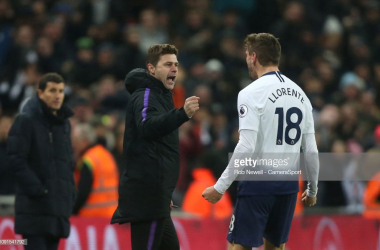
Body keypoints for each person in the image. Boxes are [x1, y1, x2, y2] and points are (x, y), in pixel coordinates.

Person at [202, 33, 320, 250]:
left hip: (258, 182)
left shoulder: (251, 93)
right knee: (275, 247)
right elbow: (311, 150)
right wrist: (312, 189)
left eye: (247, 55)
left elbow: (246, 146)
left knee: (239, 246)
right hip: (288, 184)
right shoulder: (301, 95)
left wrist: (220, 187)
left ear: (253, 56)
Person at [111, 44, 199, 250]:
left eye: (176, 64)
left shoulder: (160, 96)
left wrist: (164, 191)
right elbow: (147, 127)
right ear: (151, 69)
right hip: (147, 197)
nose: (174, 69)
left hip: (156, 195)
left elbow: (158, 148)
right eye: (168, 64)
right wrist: (182, 113)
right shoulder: (146, 94)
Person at [7, 73, 76, 250]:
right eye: (52, 90)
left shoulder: (64, 125)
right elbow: (16, 160)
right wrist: (39, 189)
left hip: (56, 210)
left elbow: (66, 164)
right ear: (40, 93)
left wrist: (69, 193)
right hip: (34, 209)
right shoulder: (26, 121)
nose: (58, 95)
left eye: (61, 91)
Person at [71, 123, 119, 217]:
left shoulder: (88, 160)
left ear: (85, 141)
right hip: (112, 214)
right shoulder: (106, 154)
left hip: (93, 216)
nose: (73, 145)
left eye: (76, 141)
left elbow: (83, 192)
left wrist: (73, 211)